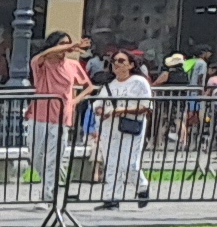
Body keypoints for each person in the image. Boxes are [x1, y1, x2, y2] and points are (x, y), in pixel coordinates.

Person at [25, 33, 88, 193]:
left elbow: (89, 87)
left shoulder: (72, 65)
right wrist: (71, 46)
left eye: (67, 44)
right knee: (36, 156)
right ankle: (55, 183)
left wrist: (74, 101)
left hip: (61, 116)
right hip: (39, 114)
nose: (65, 48)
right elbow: (44, 54)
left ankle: (48, 194)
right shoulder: (41, 62)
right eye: (61, 44)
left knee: (55, 157)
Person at [94, 49, 154, 208]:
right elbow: (98, 104)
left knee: (129, 164)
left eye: (121, 61)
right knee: (111, 163)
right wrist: (101, 112)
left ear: (131, 64)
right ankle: (112, 198)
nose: (117, 64)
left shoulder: (139, 82)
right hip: (110, 128)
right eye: (114, 61)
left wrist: (120, 111)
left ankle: (142, 185)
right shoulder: (109, 85)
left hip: (131, 127)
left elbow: (146, 106)